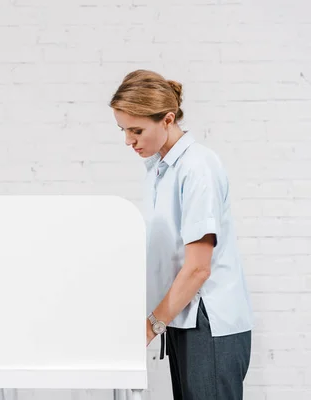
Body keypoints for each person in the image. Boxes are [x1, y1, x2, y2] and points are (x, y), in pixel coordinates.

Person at [109, 69, 254, 400]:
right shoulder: (160, 171)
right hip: (182, 319)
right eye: (123, 130)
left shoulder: (197, 168)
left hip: (209, 322)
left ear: (167, 119)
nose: (128, 140)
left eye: (136, 130)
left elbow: (199, 268)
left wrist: (151, 326)